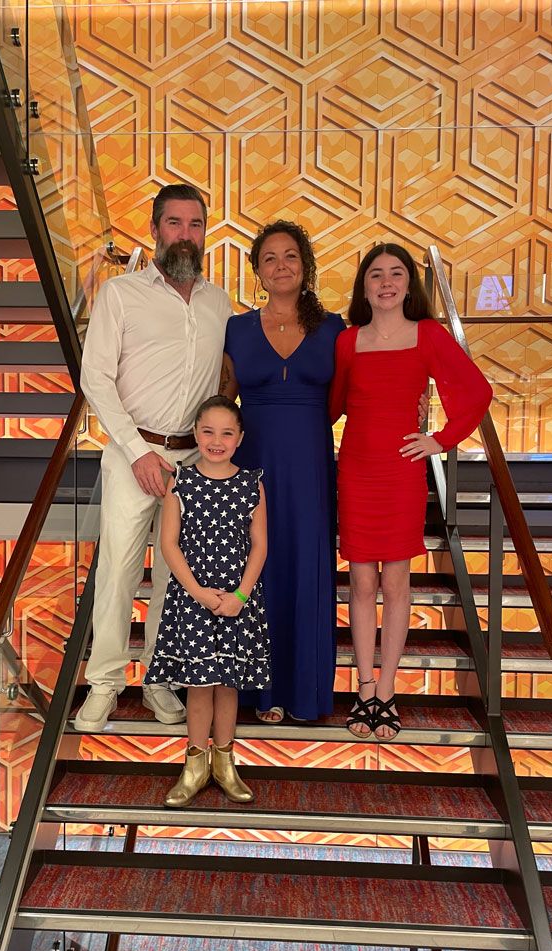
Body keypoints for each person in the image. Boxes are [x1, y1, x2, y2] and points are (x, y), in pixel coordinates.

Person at [76, 184, 232, 732]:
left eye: (195, 224)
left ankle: (160, 682)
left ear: (205, 233)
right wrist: (140, 451)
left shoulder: (219, 301)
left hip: (194, 461)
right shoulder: (120, 293)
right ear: (155, 229)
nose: (185, 235)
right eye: (174, 223)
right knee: (117, 571)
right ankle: (104, 684)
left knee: (175, 574)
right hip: (130, 452)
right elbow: (94, 377)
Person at [329, 243, 493, 740]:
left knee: (396, 584)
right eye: (375, 274)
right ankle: (362, 688)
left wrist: (439, 439)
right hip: (356, 469)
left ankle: (387, 692)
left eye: (396, 273)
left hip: (401, 474)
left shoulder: (429, 335)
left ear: (409, 284)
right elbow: (330, 405)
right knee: (360, 584)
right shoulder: (347, 341)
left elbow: (477, 392)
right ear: (363, 286)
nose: (385, 282)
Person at [221, 220, 344, 722]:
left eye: (290, 256)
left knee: (307, 567)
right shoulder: (236, 328)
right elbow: (222, 401)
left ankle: (303, 691)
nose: (280, 266)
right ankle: (261, 690)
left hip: (312, 467)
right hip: (254, 466)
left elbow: (352, 393)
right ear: (257, 270)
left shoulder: (335, 327)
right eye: (269, 258)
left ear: (305, 265)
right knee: (259, 567)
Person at [146, 396, 269, 806]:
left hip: (237, 599)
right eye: (208, 431)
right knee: (199, 685)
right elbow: (168, 545)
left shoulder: (252, 483)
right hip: (193, 597)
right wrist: (198, 593)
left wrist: (240, 596)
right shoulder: (180, 480)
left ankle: (225, 763)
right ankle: (194, 767)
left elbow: (259, 546)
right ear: (196, 434)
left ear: (240, 438)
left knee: (228, 683)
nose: (217, 440)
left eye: (227, 433)